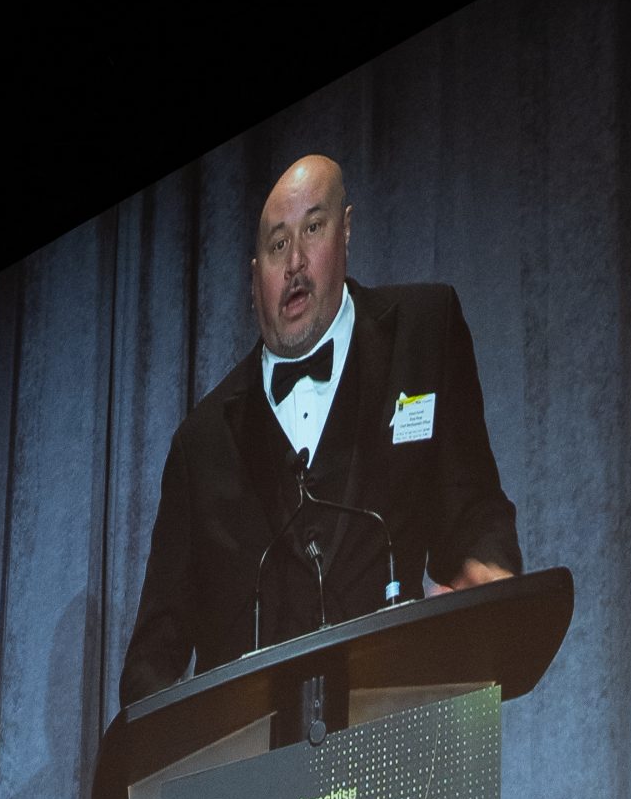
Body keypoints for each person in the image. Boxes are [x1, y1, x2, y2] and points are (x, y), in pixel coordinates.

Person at [120, 153, 522, 700]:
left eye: (312, 228)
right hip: (259, 749)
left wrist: (488, 572)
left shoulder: (423, 332)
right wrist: (172, 740)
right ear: (253, 276)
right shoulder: (201, 444)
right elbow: (152, 659)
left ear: (346, 230)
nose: (295, 262)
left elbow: (471, 505)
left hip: (397, 719)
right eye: (277, 245)